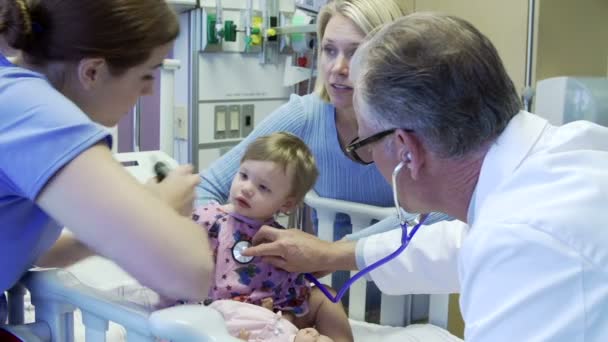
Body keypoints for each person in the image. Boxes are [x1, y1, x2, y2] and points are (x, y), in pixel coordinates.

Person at [244, 12, 608, 340]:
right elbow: (455, 245)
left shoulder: (526, 243)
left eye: (366, 143)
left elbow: (499, 245)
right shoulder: (556, 159)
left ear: (406, 150)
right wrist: (333, 254)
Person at [197, 0, 454, 316]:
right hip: (316, 304)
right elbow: (206, 187)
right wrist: (231, 251)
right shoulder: (304, 117)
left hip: (407, 304)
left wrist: (334, 252)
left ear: (390, 59)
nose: (338, 68)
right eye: (329, 50)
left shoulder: (421, 129)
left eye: (355, 53)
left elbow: (449, 210)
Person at [0, 0, 213, 305]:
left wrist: (115, 233)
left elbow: (17, 249)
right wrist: (163, 209)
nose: (149, 91)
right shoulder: (30, 110)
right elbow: (189, 275)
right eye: (147, 74)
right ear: (92, 71)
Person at [193, 132, 352, 342]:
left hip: (272, 317)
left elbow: (291, 293)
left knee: (326, 297)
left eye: (263, 187)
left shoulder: (282, 242)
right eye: (243, 175)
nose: (247, 188)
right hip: (221, 317)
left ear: (286, 204)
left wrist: (283, 318)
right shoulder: (208, 219)